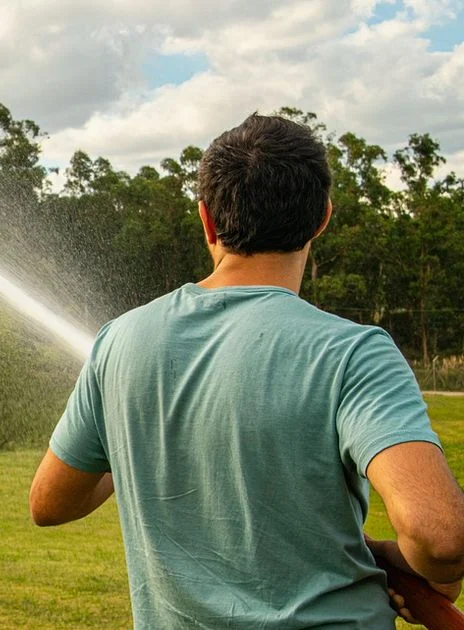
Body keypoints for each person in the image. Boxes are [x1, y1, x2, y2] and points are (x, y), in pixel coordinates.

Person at [29, 113, 464, 628]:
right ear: (322, 217)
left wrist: (146, 435)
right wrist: (420, 570)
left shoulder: (118, 341)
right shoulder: (354, 352)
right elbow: (438, 536)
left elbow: (51, 502)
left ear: (207, 219)